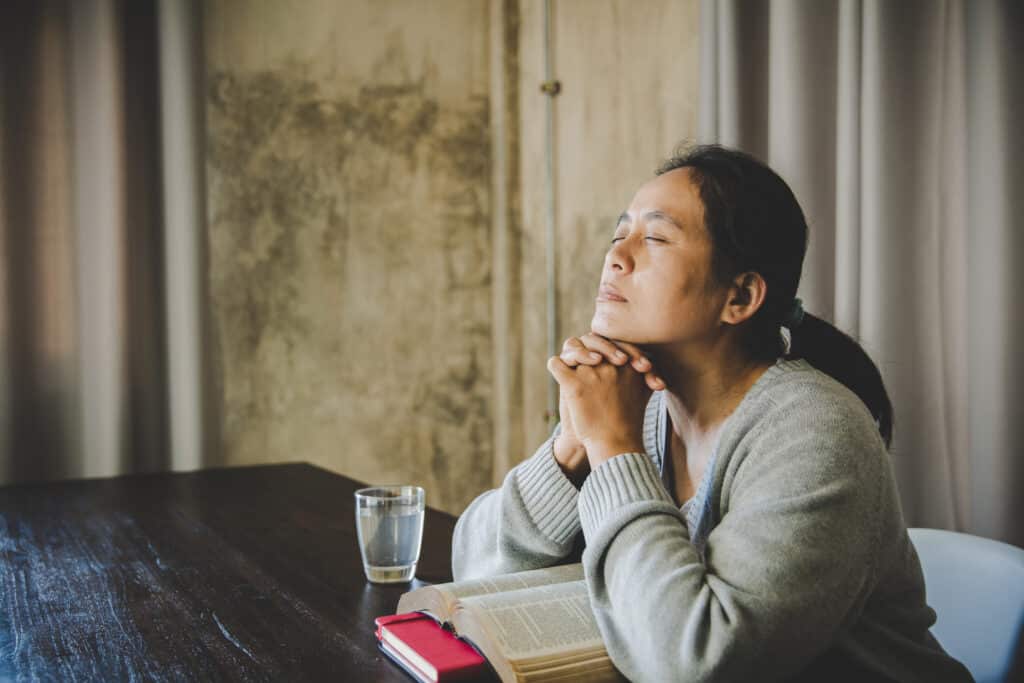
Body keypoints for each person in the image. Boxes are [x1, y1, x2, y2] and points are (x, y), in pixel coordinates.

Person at [451, 145, 973, 682]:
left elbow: (698, 662)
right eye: (618, 233)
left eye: (654, 238)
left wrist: (612, 449)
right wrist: (573, 449)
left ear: (740, 295)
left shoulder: (817, 432)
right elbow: (473, 569)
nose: (616, 257)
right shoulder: (637, 402)